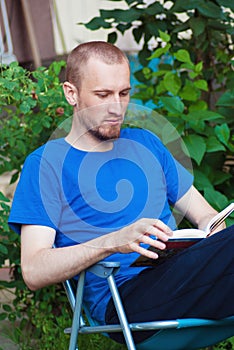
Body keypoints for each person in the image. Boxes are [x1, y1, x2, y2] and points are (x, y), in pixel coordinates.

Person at [8, 41, 234, 344]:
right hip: (127, 299)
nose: (117, 107)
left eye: (124, 93)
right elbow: (34, 270)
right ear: (71, 93)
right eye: (103, 95)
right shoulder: (45, 165)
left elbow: (205, 213)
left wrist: (211, 228)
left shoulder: (146, 143)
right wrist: (114, 242)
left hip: (184, 276)